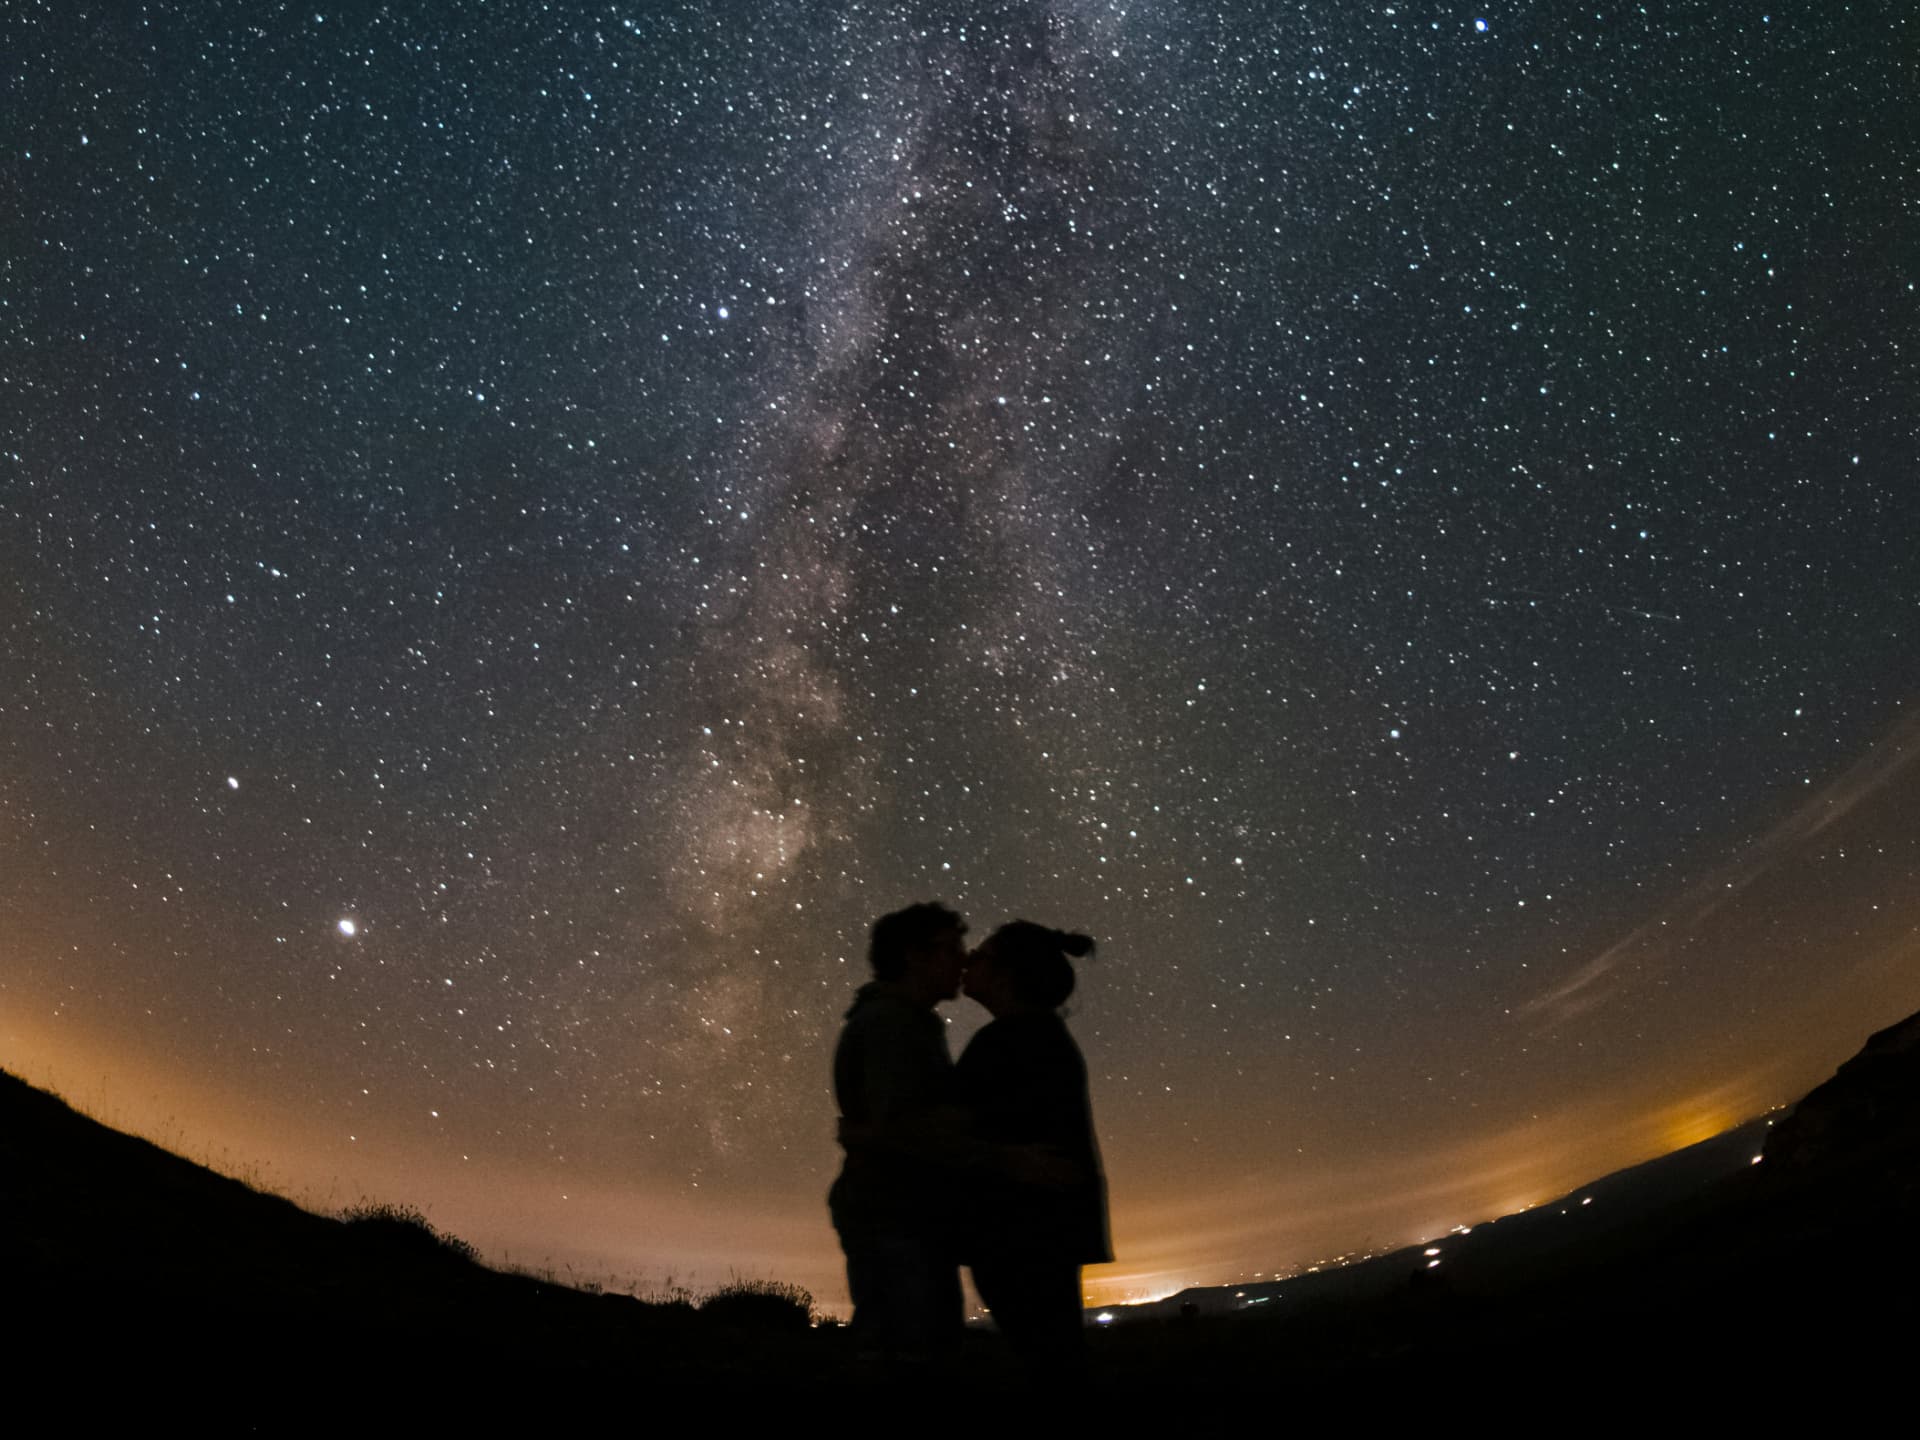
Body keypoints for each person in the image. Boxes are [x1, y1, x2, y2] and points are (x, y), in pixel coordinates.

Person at [955, 921, 1111, 1385]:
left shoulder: (1005, 1042)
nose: (966, 961)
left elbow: (951, 1130)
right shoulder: (1040, 1036)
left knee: (1049, 1365)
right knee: (1057, 1360)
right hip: (1048, 1232)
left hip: (1020, 1235)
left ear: (1005, 975)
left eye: (978, 956)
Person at [828, 901, 970, 1366]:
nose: (962, 961)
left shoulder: (903, 1021)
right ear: (914, 956)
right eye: (951, 950)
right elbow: (904, 1127)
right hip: (896, 1215)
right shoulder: (893, 1023)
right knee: (911, 1356)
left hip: (898, 1212)